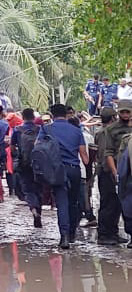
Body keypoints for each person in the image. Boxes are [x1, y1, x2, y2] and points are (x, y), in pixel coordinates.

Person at [39, 103, 89, 249]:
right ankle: (72, 233)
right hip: (74, 170)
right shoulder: (76, 130)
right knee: (73, 203)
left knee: (62, 203)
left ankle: (64, 237)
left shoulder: (46, 129)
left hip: (57, 171)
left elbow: (39, 148)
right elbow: (84, 157)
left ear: (52, 115)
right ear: (66, 114)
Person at [95, 106, 131, 244]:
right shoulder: (107, 132)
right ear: (114, 117)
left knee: (115, 204)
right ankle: (105, 235)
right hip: (108, 171)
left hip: (112, 170)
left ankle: (112, 233)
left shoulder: (101, 132)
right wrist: (114, 172)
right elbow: (107, 154)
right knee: (109, 204)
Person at [11, 108, 42, 227]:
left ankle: (33, 210)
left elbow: (12, 147)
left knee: (28, 189)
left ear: (22, 117)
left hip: (24, 164)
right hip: (38, 163)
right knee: (38, 188)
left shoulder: (17, 130)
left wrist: (17, 155)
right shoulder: (39, 129)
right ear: (33, 117)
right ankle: (39, 212)